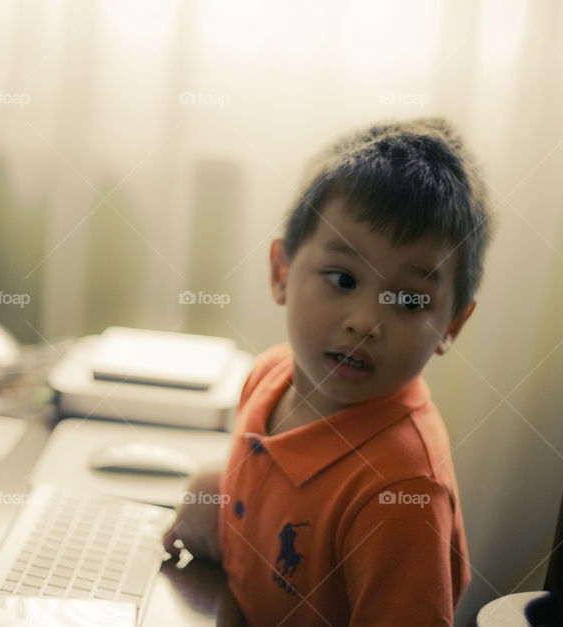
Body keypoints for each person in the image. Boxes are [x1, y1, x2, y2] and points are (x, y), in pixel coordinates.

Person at [163, 117, 491, 626]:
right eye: (342, 278)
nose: (365, 322)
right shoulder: (270, 375)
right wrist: (219, 493)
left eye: (408, 300)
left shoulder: (401, 493)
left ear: (452, 325)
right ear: (281, 273)